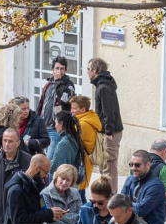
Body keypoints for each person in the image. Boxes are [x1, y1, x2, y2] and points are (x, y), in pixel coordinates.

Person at [87, 58, 123, 190]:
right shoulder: (101, 85)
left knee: (109, 166)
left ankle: (111, 197)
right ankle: (105, 194)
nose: (87, 72)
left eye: (88, 69)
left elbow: (109, 112)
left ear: (95, 70)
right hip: (105, 132)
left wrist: (108, 133)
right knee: (104, 165)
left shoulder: (103, 87)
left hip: (110, 133)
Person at [122, 149, 166, 224]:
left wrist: (126, 204)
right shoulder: (130, 179)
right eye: (131, 164)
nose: (133, 168)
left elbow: (140, 210)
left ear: (148, 164)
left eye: (137, 165)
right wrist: (125, 204)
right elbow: (120, 202)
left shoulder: (156, 185)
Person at [36, 57, 76, 159]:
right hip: (44, 128)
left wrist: (58, 81)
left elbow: (65, 99)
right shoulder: (48, 84)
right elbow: (42, 103)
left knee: (49, 161)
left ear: (65, 70)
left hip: (56, 129)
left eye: (62, 68)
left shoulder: (69, 85)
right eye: (57, 68)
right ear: (52, 70)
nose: (59, 71)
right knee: (41, 159)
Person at [70, 95, 101, 195]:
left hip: (82, 162)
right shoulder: (90, 118)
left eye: (74, 108)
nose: (71, 111)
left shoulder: (82, 124)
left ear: (83, 109)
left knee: (79, 191)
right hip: (85, 161)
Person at [48, 111, 84, 183]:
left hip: (64, 182)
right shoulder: (74, 138)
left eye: (56, 123)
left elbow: (56, 167)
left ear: (61, 123)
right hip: (72, 179)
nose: (55, 126)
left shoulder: (64, 143)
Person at [148, 139, 166, 218]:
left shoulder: (137, 161)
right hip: (154, 215)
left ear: (151, 148)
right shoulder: (164, 169)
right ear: (164, 152)